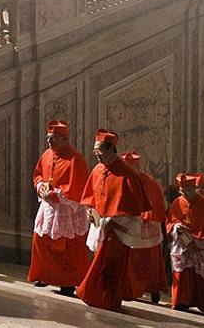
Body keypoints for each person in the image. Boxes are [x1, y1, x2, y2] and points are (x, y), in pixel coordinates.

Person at [77, 130, 150, 312]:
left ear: (111, 149)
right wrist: (90, 210)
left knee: (111, 266)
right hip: (100, 225)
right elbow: (91, 197)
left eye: (99, 150)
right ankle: (95, 297)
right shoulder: (98, 169)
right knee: (97, 262)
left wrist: (112, 221)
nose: (96, 154)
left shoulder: (127, 174)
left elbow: (133, 211)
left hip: (117, 230)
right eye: (95, 151)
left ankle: (108, 300)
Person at [27, 120, 90, 297]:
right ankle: (44, 276)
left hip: (67, 210)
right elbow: (38, 174)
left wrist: (56, 195)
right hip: (48, 206)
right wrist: (40, 188)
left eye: (53, 139)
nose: (49, 142)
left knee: (67, 246)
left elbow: (76, 187)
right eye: (48, 138)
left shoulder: (75, 158)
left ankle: (68, 283)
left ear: (64, 139)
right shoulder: (47, 154)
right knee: (41, 240)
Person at [166, 172, 204, 314]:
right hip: (183, 244)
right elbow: (171, 222)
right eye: (184, 191)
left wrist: (197, 241)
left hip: (201, 245)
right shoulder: (177, 202)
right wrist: (177, 228)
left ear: (195, 188)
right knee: (183, 274)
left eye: (190, 190)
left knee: (203, 275)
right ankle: (181, 302)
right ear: (180, 190)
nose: (187, 193)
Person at [122, 150, 168, 303]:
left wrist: (143, 218)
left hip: (148, 227)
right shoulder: (125, 179)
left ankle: (153, 289)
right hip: (130, 225)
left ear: (138, 166)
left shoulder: (149, 183)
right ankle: (130, 289)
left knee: (149, 261)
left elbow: (155, 206)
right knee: (131, 261)